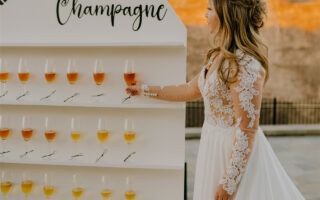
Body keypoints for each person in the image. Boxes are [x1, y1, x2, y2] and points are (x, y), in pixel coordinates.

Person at [126, 0, 306, 199]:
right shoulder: (218, 57)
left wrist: (229, 183)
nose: (205, 15)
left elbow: (247, 128)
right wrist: (144, 90)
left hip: (231, 157)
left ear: (226, 16)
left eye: (210, 9)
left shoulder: (245, 64)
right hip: (211, 147)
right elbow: (188, 89)